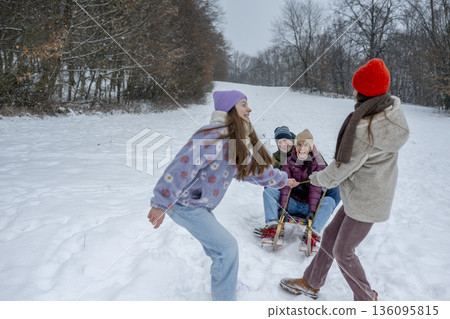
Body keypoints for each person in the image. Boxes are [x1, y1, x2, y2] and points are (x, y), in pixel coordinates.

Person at [148, 90, 298, 301]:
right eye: (243, 104)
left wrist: (283, 180)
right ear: (230, 108)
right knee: (227, 249)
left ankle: (224, 281)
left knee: (218, 249)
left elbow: (250, 171)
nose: (249, 109)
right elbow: (180, 168)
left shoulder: (231, 139)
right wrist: (161, 203)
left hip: (197, 206)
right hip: (184, 204)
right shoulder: (212, 135)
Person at [279, 58, 410, 301]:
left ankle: (365, 299)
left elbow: (341, 169)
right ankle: (312, 281)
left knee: (343, 251)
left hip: (366, 199)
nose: (352, 90)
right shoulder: (390, 110)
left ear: (363, 91)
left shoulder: (365, 129)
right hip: (366, 192)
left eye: (356, 86)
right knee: (330, 235)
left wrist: (317, 178)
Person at [259, 129, 339, 248]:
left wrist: (312, 211)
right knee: (269, 190)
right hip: (292, 201)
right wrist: (283, 207)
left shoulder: (318, 161)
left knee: (331, 199)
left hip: (309, 204)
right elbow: (284, 185)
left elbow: (315, 189)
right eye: (279, 142)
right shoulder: (285, 159)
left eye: (306, 145)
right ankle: (273, 227)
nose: (302, 148)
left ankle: (313, 233)